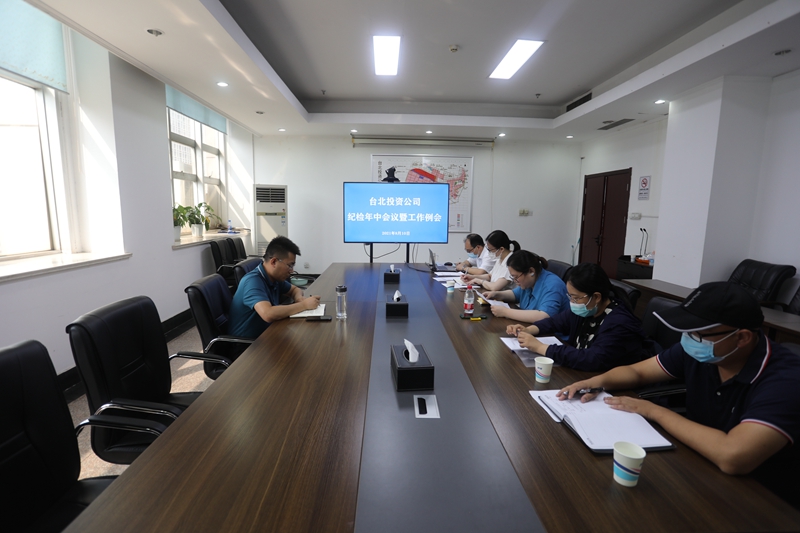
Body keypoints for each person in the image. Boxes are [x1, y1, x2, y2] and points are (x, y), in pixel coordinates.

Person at [558, 282, 800, 509]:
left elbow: (733, 456)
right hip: (698, 466)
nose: (689, 340)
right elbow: (637, 372)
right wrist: (594, 382)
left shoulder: (786, 379)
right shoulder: (703, 351)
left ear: (742, 337)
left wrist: (653, 410)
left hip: (763, 499)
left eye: (697, 334)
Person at [507, 262, 648, 371]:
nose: (572, 302)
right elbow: (556, 322)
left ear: (596, 297)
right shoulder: (588, 308)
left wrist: (540, 347)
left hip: (610, 384)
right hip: (581, 373)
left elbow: (592, 359)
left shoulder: (619, 323)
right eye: (570, 297)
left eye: (576, 298)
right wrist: (529, 330)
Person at [228, 236, 320, 339]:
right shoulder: (252, 281)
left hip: (267, 333)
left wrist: (299, 298)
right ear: (274, 262)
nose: (292, 270)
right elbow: (268, 314)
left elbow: (294, 289)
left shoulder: (274, 277)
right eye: (290, 265)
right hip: (247, 344)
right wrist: (304, 305)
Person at [482, 250, 569, 322]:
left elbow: (543, 316)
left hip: (552, 334)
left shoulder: (553, 285)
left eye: (516, 277)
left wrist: (505, 312)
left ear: (531, 271)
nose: (515, 281)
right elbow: (515, 294)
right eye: (513, 277)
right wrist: (496, 294)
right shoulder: (529, 282)